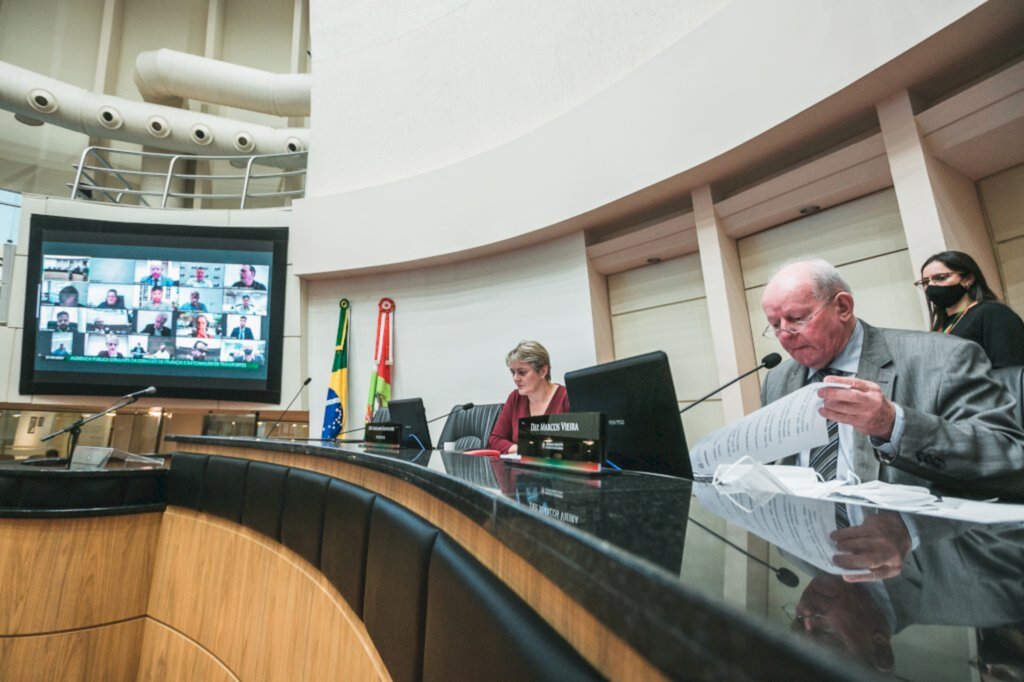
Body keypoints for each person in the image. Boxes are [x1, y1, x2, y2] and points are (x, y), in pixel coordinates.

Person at [760, 258, 1024, 500]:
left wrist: (895, 426)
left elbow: (1009, 461)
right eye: (775, 324)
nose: (785, 334)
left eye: (797, 318)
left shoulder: (944, 357)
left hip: (912, 542)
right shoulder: (777, 380)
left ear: (842, 307)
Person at [918, 250, 1024, 368]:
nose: (931, 285)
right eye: (925, 282)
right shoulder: (940, 325)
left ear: (968, 279)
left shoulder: (993, 313)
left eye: (941, 278)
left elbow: (1010, 371)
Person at [488, 340, 571, 454]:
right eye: (513, 372)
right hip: (520, 470)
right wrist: (524, 449)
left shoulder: (567, 398)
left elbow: (577, 444)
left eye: (522, 372)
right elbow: (495, 439)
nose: (515, 378)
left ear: (543, 371)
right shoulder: (515, 398)